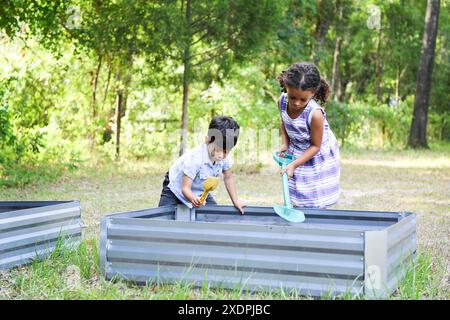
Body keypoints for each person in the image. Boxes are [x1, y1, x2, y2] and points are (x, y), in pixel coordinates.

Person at [276, 62, 340, 208]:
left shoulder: (315, 114)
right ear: (286, 87)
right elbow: (284, 122)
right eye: (292, 97)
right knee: (296, 192)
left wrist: (294, 165)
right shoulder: (282, 101)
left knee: (314, 195)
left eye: (303, 99)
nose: (297, 103)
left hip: (316, 154)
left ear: (313, 93)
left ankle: (318, 220)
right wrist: (285, 144)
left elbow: (316, 146)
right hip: (297, 148)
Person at [158, 116, 245, 214]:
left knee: (214, 217)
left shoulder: (224, 157)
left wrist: (235, 200)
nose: (221, 155)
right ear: (207, 140)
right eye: (218, 150)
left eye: (226, 151)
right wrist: (193, 198)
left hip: (198, 190)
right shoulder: (195, 159)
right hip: (175, 190)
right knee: (164, 218)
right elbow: (185, 188)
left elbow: (228, 177)